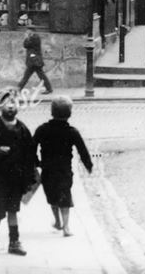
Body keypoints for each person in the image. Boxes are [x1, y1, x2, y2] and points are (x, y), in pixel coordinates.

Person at [0, 91, 37, 256]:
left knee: (13, 210)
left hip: (15, 179)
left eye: (14, 102)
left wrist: (29, 177)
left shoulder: (23, 129)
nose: (11, 106)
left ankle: (14, 242)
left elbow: (30, 154)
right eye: (7, 103)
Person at [33, 96, 93, 237]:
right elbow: (82, 150)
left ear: (52, 112)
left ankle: (57, 221)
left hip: (47, 169)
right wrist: (88, 165)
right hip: (64, 170)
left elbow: (31, 147)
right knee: (65, 195)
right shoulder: (72, 132)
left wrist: (36, 162)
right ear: (69, 114)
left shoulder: (42, 129)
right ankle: (66, 227)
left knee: (52, 195)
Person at [18, 29, 53, 94]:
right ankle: (49, 89)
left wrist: (26, 38)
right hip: (33, 62)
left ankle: (18, 89)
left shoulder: (35, 38)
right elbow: (26, 46)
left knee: (29, 76)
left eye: (27, 31)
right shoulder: (33, 37)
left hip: (35, 61)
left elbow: (26, 45)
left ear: (31, 31)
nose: (26, 33)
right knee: (35, 76)